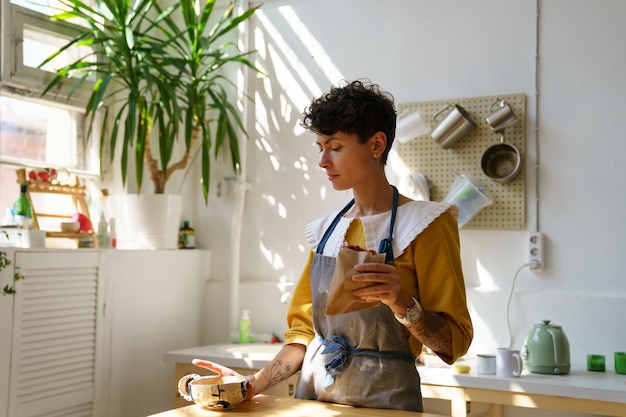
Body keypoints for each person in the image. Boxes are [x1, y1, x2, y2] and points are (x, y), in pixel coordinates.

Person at [193, 79, 473, 412]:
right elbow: (303, 334)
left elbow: (453, 344)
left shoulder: (426, 224)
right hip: (314, 401)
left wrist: (401, 303)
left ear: (376, 144)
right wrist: (251, 385)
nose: (323, 161)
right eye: (320, 147)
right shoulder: (326, 231)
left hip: (386, 402)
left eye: (335, 147)